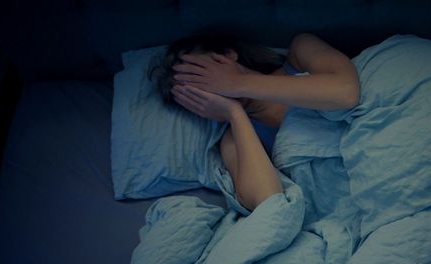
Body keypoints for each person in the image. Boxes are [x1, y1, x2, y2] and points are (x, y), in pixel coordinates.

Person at [148, 32, 360, 213]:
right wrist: (234, 112)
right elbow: (267, 200)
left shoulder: (299, 53)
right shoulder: (236, 137)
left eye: (202, 75)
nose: (210, 89)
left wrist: (237, 83)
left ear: (228, 56)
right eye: (196, 94)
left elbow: (346, 93)